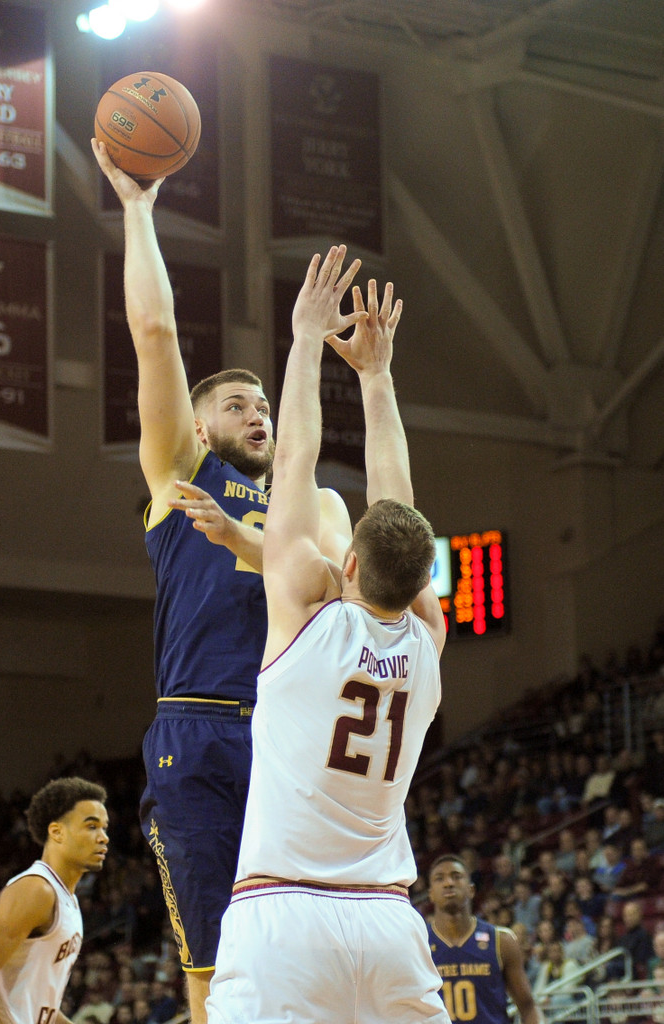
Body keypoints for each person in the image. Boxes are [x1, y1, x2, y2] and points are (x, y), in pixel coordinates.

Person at [91, 142, 352, 1024]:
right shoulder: (182, 475)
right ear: (201, 427)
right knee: (211, 965)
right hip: (197, 730)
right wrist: (138, 212)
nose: (257, 414)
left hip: (286, 734)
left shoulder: (309, 504)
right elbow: (154, 335)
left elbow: (347, 594)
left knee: (302, 953)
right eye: (237, 405)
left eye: (265, 405)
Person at [206, 247, 449, 1024]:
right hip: (388, 922)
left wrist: (308, 336)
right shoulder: (428, 638)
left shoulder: (306, 610)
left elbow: (295, 457)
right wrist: (377, 379)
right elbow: (395, 503)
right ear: (423, 584)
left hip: (284, 914)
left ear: (345, 562)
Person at [0, 777, 109, 1024]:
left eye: (104, 828)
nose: (103, 837)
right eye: (91, 826)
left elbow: (36, 1007)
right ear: (56, 832)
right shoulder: (36, 890)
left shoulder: (67, 899)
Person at [426, 854, 541, 1024]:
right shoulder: (418, 944)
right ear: (431, 894)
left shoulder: (501, 941)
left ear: (471, 890)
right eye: (439, 878)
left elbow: (528, 1007)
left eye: (456, 877)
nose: (448, 883)